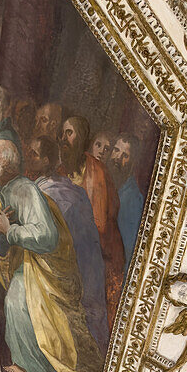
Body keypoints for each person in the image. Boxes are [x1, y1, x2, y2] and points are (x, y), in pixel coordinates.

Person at [0, 139, 102, 372]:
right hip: (28, 263)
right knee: (16, 301)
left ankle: (47, 370)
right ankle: (28, 365)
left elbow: (47, 237)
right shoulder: (1, 192)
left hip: (46, 267)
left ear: (6, 163)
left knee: (19, 301)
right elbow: (4, 247)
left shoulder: (25, 190)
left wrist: (10, 230)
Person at [25, 135, 109, 353]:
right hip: (88, 265)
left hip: (76, 267)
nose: (28, 156)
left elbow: (47, 241)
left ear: (45, 161)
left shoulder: (47, 194)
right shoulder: (67, 187)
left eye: (34, 153)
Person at [60, 114, 125, 326]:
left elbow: (101, 223)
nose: (63, 138)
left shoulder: (96, 171)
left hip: (96, 250)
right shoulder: (61, 169)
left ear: (81, 137)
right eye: (62, 133)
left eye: (69, 133)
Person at [110, 133, 144, 255]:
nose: (118, 158)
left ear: (133, 162)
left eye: (125, 155)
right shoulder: (107, 182)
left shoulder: (132, 198)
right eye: (116, 150)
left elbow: (128, 248)